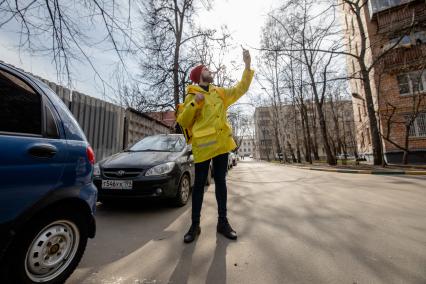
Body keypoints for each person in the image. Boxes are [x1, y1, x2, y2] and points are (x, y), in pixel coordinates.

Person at [177, 48, 254, 243]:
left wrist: (247, 66)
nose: (210, 71)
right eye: (207, 69)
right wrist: (195, 103)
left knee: (221, 183)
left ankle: (222, 222)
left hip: (221, 146)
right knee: (199, 187)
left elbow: (240, 89)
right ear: (199, 75)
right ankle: (195, 226)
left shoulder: (219, 92)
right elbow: (184, 122)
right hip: (203, 148)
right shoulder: (191, 96)